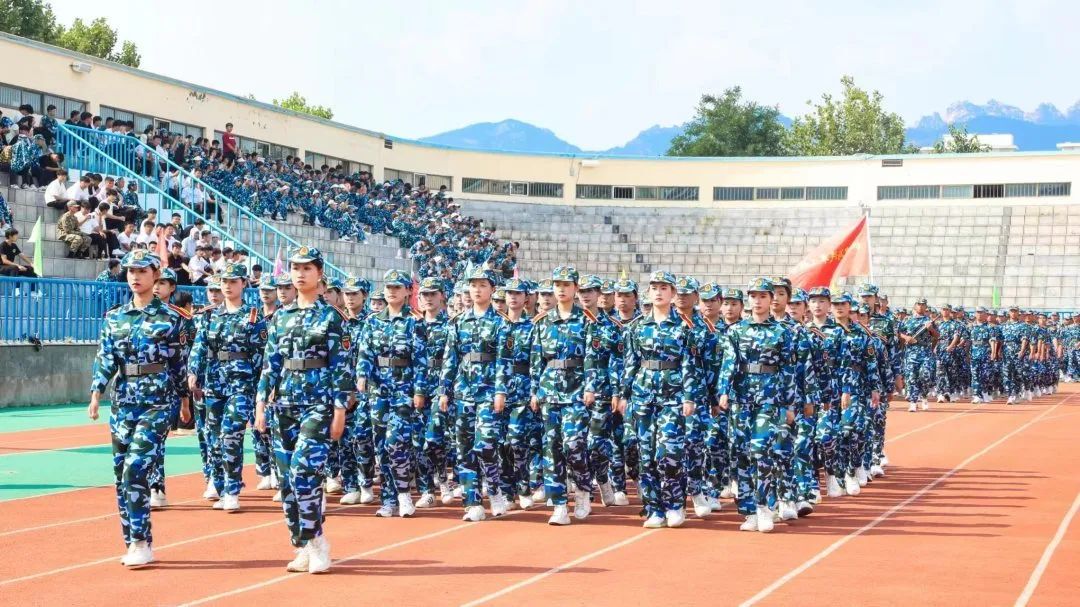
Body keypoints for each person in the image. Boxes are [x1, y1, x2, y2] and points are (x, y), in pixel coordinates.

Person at [88, 250, 191, 567]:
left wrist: (184, 400)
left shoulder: (172, 318)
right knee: (121, 472)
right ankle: (133, 540)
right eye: (131, 271)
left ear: (155, 275)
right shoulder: (115, 317)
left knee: (136, 467)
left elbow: (178, 363)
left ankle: (141, 542)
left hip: (157, 401)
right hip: (123, 401)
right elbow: (106, 358)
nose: (135, 276)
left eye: (142, 271)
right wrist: (96, 391)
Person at [255, 246, 351, 574]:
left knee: (303, 472)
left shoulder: (332, 317)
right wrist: (261, 405)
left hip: (318, 405)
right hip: (284, 404)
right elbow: (270, 364)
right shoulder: (281, 317)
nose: (300, 273)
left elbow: (341, 367)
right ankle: (303, 543)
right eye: (296, 268)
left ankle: (318, 541)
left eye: (307, 268)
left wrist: (340, 411)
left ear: (319, 273)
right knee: (286, 481)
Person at [715, 277, 798, 533]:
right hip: (741, 398)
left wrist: (790, 404)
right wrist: (723, 391)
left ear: (771, 299)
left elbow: (788, 370)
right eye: (753, 296)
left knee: (761, 451)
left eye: (763, 296)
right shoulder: (735, 331)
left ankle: (764, 506)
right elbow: (728, 362)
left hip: (769, 398)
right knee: (740, 453)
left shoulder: (783, 332)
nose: (758, 301)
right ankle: (748, 510)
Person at [620, 270, 699, 529]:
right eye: (654, 287)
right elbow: (630, 363)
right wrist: (624, 394)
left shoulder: (684, 327)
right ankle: (654, 508)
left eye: (664, 288)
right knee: (646, 455)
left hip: (673, 396)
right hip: (643, 395)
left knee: (668, 452)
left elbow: (689, 364)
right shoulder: (637, 327)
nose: (658, 292)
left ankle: (675, 504)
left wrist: (689, 397)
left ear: (673, 293)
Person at [188, 263, 267, 512]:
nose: (228, 286)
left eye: (234, 282)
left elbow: (261, 355)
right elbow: (200, 346)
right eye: (225, 282)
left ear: (243, 284)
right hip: (214, 382)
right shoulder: (210, 315)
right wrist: (193, 371)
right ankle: (220, 486)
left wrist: (261, 390)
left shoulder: (253, 316)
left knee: (231, 434)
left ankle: (232, 489)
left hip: (242, 384)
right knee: (213, 439)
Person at [438, 264, 508, 522]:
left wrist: (500, 391)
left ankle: (495, 488)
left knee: (486, 445)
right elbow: (450, 359)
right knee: (464, 448)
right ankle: (473, 502)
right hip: (463, 391)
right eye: (473, 285)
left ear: (492, 289)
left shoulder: (501, 323)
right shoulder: (458, 322)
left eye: (482, 285)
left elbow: (503, 360)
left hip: (489, 391)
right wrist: (444, 391)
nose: (477, 290)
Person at [356, 269, 427, 517]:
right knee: (381, 446)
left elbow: (421, 361)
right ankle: (388, 499)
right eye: (388, 287)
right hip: (379, 391)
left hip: (404, 390)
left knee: (395, 442)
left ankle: (404, 493)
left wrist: (419, 391)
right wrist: (362, 376)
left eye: (397, 287)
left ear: (408, 291)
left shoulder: (415, 322)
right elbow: (365, 353)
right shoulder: (373, 322)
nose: (392, 291)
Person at [146, 268, 195, 508]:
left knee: (158, 436)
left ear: (172, 287)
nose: (157, 287)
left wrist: (185, 390)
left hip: (169, 384)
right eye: (155, 282)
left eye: (162, 283)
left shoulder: (181, 318)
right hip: (142, 385)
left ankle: (157, 485)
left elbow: (187, 353)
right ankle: (149, 485)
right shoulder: (138, 314)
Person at [493, 278, 538, 509]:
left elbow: (536, 362)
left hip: (522, 388)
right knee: (500, 444)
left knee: (518, 441)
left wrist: (534, 391)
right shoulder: (496, 325)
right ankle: (506, 490)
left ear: (526, 298)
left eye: (518, 293)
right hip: (496, 390)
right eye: (509, 293)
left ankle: (523, 485)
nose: (512, 297)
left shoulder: (533, 327)